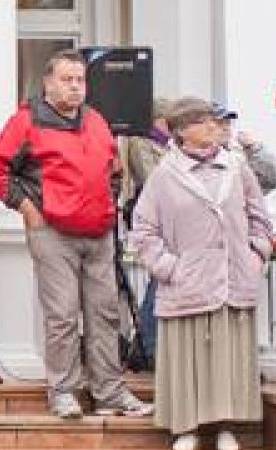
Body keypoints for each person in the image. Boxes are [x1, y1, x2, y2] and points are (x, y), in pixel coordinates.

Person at [0, 49, 152, 418]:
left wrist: (109, 200)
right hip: (53, 231)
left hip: (99, 232)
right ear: (48, 83)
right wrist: (28, 210)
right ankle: (63, 392)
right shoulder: (26, 122)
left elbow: (113, 170)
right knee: (62, 316)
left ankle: (109, 394)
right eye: (66, 79)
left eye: (80, 80)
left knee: (105, 315)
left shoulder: (96, 120)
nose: (75, 87)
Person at [129, 98, 271, 450]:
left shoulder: (236, 166)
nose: (213, 126)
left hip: (232, 278)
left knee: (228, 359)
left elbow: (260, 217)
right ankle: (186, 429)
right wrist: (170, 268)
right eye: (203, 121)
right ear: (182, 130)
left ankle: (226, 428)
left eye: (214, 121)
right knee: (186, 360)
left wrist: (256, 254)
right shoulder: (165, 174)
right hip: (187, 283)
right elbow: (144, 230)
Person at [115, 98, 171, 373]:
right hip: (155, 220)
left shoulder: (170, 147)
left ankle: (148, 344)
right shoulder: (141, 143)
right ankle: (148, 346)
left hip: (171, 220)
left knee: (160, 283)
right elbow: (151, 179)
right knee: (158, 282)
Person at [213, 104, 276, 194]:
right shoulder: (201, 158)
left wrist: (253, 149)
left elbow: (269, 181)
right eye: (220, 124)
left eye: (228, 123)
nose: (226, 128)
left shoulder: (237, 155)